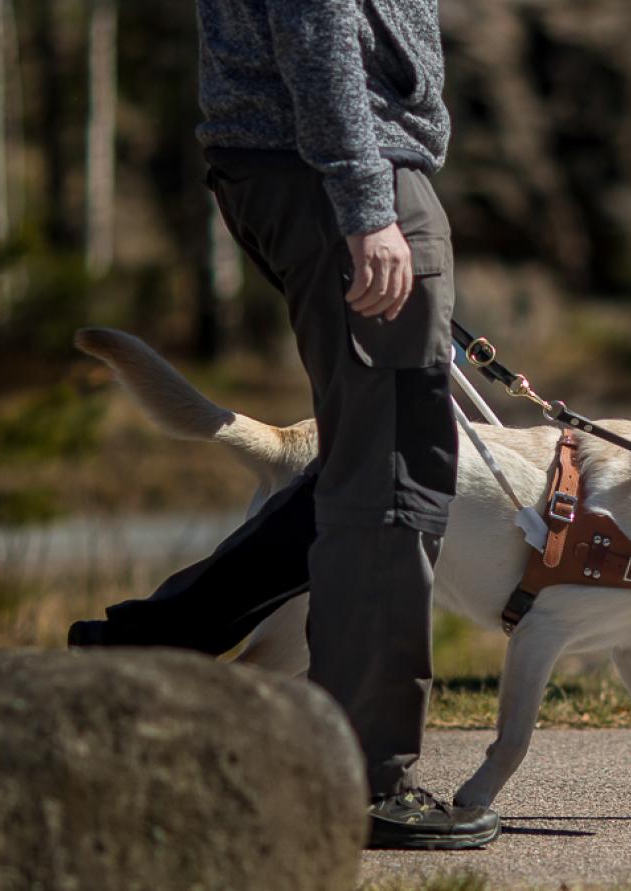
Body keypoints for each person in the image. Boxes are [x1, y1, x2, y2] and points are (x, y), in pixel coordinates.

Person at [68, 0, 498, 851]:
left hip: (316, 165)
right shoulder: (350, 181)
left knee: (364, 469)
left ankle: (149, 640)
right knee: (391, 481)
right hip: (341, 170)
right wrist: (366, 202)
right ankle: (358, 777)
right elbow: (318, 26)